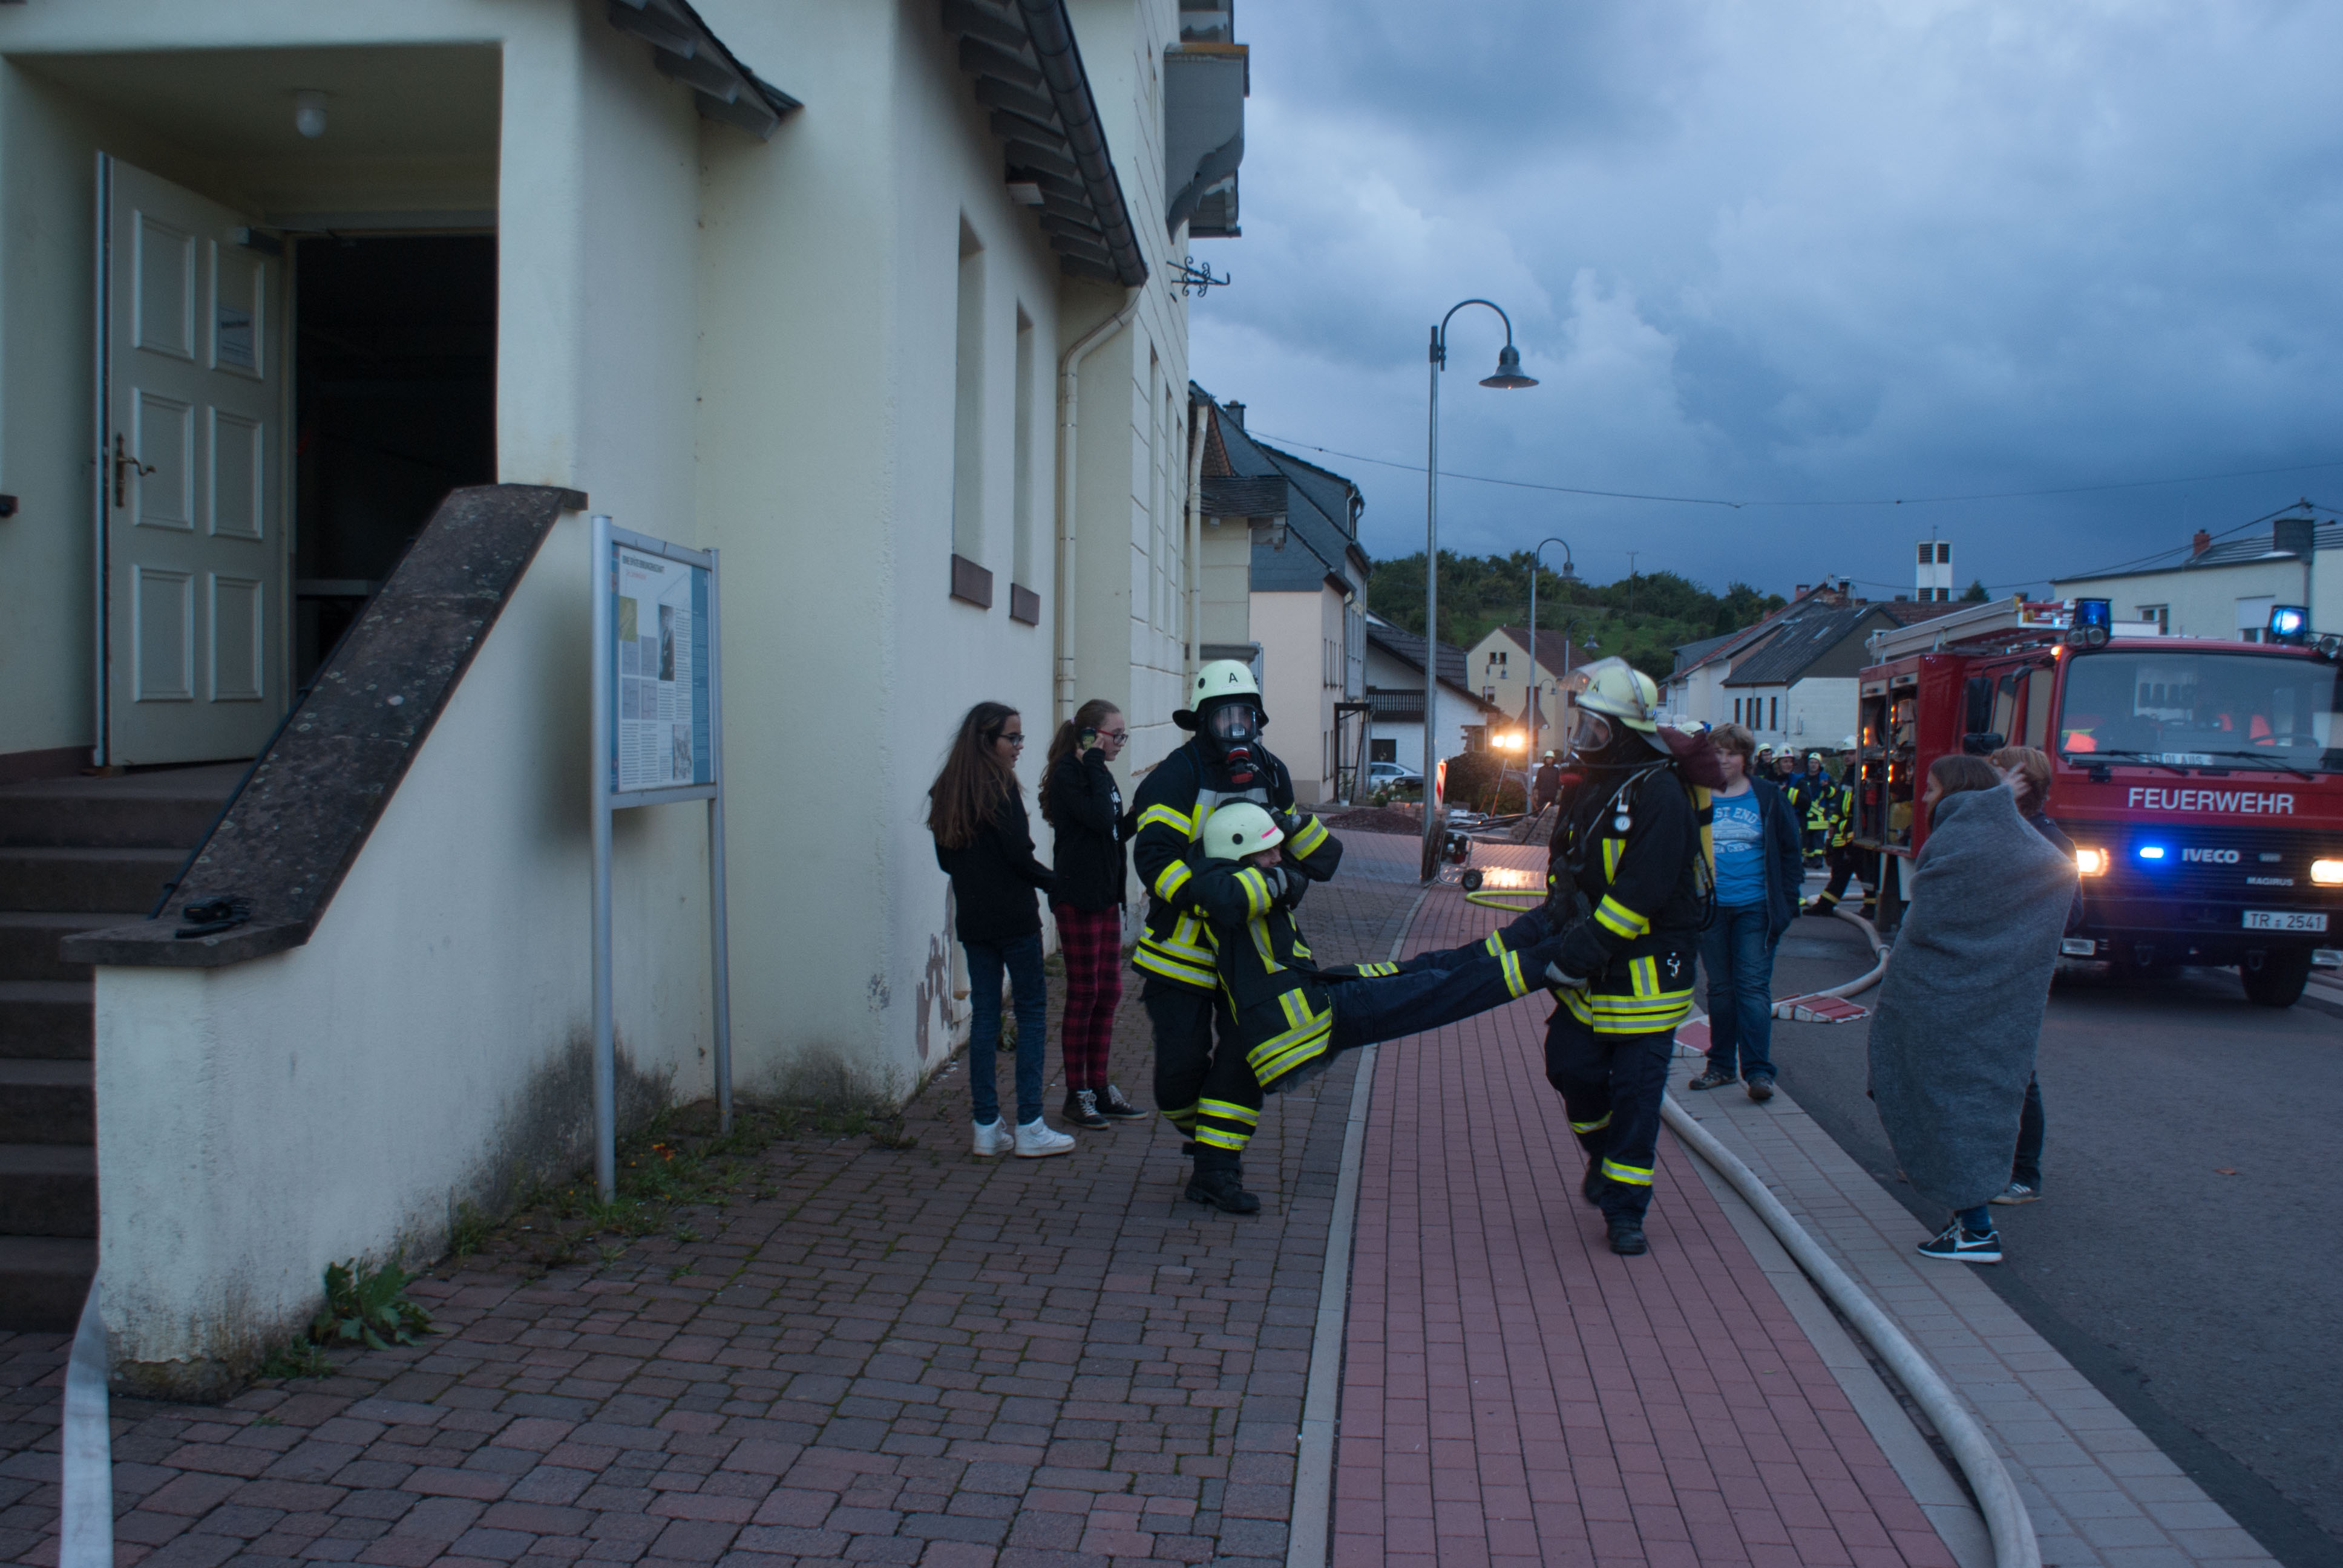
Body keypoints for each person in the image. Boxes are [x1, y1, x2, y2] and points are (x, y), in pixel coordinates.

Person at [1130, 659, 1342, 1213]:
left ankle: (1216, 1171)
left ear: (1257, 719)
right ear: (1202, 722)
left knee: (1245, 1059)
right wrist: (1208, 897)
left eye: (1244, 716)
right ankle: (1206, 1140)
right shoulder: (1175, 777)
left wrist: (1286, 872)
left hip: (1253, 954)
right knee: (1177, 1077)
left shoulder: (1271, 772)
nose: (1236, 729)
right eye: (1224, 718)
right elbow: (1155, 859)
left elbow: (1308, 857)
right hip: (1183, 954)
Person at [1182, 799, 1568, 1090]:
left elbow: (1326, 857)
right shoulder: (1218, 888)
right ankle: (1559, 956)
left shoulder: (1239, 875)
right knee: (1444, 989)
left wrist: (1289, 823)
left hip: (1317, 999)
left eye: (1278, 849)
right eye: (1267, 852)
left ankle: (1543, 923)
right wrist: (1287, 878)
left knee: (1434, 966)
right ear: (1237, 856)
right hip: (1303, 1023)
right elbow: (1233, 892)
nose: (1278, 858)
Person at [1867, 754, 2076, 1264]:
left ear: (1958, 793)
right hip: (1989, 1004)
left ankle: (1976, 1230)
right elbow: (2056, 876)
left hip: (1943, 1003)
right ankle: (1969, 1220)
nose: (1924, 798)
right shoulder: (2015, 844)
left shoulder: (1963, 840)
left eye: (1931, 788)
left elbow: (1929, 924)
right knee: (1968, 1105)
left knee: (1949, 1106)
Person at [1537, 659, 1712, 1257]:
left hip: (1645, 974)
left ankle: (1625, 1213)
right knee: (1569, 1068)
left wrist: (1577, 953)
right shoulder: (1590, 783)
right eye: (1583, 724)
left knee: (1637, 1099)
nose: (1584, 737)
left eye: (1596, 727)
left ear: (1624, 732)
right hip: (1591, 971)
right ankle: (1601, 1154)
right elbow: (1568, 865)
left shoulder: (1659, 794)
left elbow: (1641, 891)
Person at [927, 702, 1074, 1159]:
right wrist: (1057, 882)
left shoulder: (947, 789)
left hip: (974, 922)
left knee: (985, 1018)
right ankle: (1030, 1125)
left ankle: (986, 1127)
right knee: (1030, 1014)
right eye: (1013, 738)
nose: (1019, 746)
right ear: (987, 739)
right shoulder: (1000, 788)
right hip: (1014, 919)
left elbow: (946, 861)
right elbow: (1019, 856)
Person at [1039, 700, 1147, 1131]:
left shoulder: (1098, 772)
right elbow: (1102, 819)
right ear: (1090, 735)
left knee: (1109, 992)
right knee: (1084, 993)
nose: (1120, 742)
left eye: (1123, 735)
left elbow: (1115, 831)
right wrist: (1095, 764)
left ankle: (1100, 1087)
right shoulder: (1071, 772)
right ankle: (1076, 1093)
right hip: (1078, 896)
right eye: (1115, 735)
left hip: (1104, 895)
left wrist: (1144, 809)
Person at [1684, 725, 1802, 1102]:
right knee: (1720, 990)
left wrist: (1787, 902)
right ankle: (1720, 1066)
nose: (1723, 760)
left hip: (1755, 907)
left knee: (1751, 988)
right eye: (1717, 753)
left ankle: (1758, 1072)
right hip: (1711, 909)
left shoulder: (1767, 796)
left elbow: (1790, 851)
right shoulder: (1697, 796)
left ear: (1745, 758)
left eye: (1731, 754)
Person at [1987, 745, 2074, 1207]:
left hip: (2017, 973)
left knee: (2019, 1073)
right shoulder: (2001, 829)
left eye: (1998, 772)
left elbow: (2071, 913)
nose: (1989, 780)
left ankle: (2025, 1175)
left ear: (2021, 781)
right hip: (1987, 968)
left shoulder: (2049, 841)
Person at [1807, 737, 1874, 917]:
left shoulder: (1861, 775)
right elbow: (1841, 806)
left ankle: (1870, 906)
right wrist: (1833, 826)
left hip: (1855, 834)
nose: (1847, 757)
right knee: (1843, 872)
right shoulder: (1849, 774)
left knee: (1860, 872)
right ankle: (1826, 906)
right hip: (1845, 834)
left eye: (1851, 753)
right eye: (1846, 754)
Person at [1786, 751, 1832, 865]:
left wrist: (1827, 788)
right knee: (1806, 838)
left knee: (1818, 838)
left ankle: (1817, 860)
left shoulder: (1825, 777)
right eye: (1811, 762)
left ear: (1819, 764)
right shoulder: (1801, 778)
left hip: (1819, 816)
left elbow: (1833, 794)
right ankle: (1807, 859)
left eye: (1816, 763)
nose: (1813, 765)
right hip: (1805, 814)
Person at [1531, 751, 1564, 815]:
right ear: (1545, 759)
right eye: (1548, 758)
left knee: (1551, 813)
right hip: (1542, 794)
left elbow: (1558, 783)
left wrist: (1559, 794)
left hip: (1552, 795)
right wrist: (1536, 793)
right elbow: (1538, 782)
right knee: (1538, 812)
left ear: (1553, 760)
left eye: (1551, 758)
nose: (1549, 760)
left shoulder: (1556, 770)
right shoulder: (1541, 769)